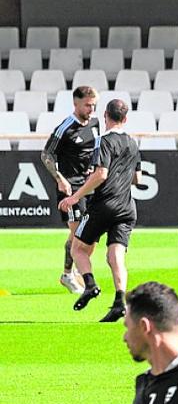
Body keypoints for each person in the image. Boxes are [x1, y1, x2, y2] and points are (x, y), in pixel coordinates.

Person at [57, 99, 142, 323]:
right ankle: (119, 301)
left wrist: (75, 196)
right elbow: (137, 178)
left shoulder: (102, 141)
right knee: (116, 256)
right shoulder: (133, 143)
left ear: (105, 115)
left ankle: (90, 285)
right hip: (127, 207)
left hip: (103, 205)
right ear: (125, 119)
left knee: (78, 249)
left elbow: (101, 174)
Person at [40, 85, 99, 295]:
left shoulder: (95, 123)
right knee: (77, 234)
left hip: (89, 185)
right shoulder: (65, 127)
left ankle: (72, 272)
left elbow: (95, 148)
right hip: (70, 186)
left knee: (89, 237)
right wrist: (60, 179)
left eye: (94, 105)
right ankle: (67, 274)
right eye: (87, 105)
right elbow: (46, 155)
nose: (91, 109)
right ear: (76, 104)